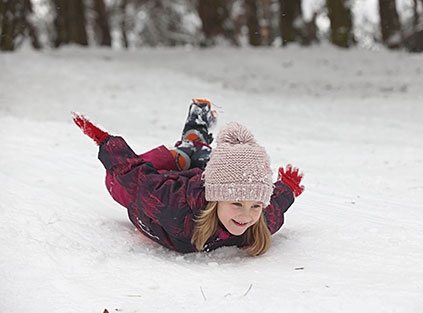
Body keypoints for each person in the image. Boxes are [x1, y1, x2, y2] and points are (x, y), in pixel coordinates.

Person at [72, 99, 304, 256]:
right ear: (215, 200)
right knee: (115, 185)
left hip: (203, 177)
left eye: (255, 205)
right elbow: (135, 177)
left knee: (206, 161)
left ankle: (192, 148)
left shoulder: (258, 223)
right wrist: (107, 142)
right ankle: (182, 153)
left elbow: (275, 205)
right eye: (237, 204)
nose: (246, 215)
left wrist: (287, 188)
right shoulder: (172, 205)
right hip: (157, 188)